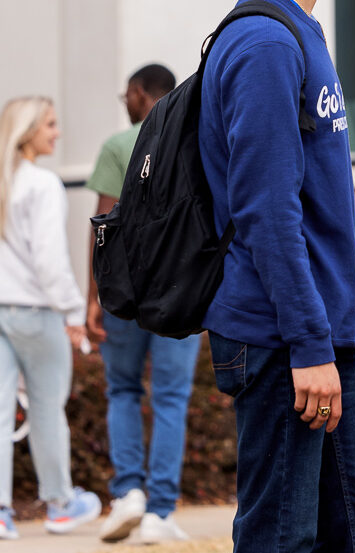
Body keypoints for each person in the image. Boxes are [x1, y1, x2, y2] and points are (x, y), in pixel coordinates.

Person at [199, 0, 355, 551]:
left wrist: (327, 340)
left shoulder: (300, 33)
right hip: (286, 340)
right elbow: (266, 210)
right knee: (282, 536)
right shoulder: (265, 44)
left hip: (319, 334)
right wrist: (309, 344)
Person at [85, 64, 200, 544]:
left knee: (123, 391)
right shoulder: (192, 140)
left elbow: (104, 225)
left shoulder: (117, 145)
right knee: (171, 397)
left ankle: (128, 491)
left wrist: (93, 295)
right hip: (180, 290)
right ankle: (159, 511)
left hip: (126, 291)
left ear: (137, 94)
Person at [0, 97, 103, 539]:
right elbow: (49, 259)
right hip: (36, 312)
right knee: (45, 408)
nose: (57, 133)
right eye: (50, 125)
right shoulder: (42, 185)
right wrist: (73, 311)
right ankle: (60, 504)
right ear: (26, 132)